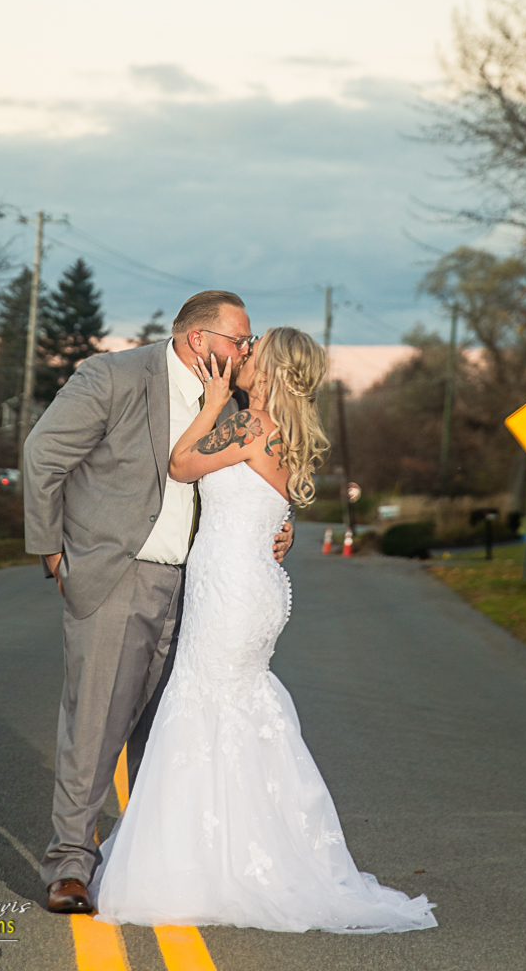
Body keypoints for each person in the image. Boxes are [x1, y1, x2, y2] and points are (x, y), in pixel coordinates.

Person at [90, 326, 436, 933]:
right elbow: (268, 504)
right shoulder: (285, 435)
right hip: (251, 586)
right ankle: (233, 856)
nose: (242, 356)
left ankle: (203, 867)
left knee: (205, 706)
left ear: (272, 371)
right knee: (233, 710)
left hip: (231, 589)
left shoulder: (249, 426)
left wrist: (215, 404)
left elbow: (180, 464)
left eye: (254, 352)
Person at [24, 290, 294, 914]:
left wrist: (282, 528)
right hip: (121, 574)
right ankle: (70, 864)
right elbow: (44, 455)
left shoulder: (237, 401)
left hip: (203, 590)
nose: (247, 351)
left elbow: (258, 479)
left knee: (172, 733)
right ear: (200, 339)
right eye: (239, 340)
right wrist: (52, 550)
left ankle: (152, 864)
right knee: (95, 726)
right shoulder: (114, 377)